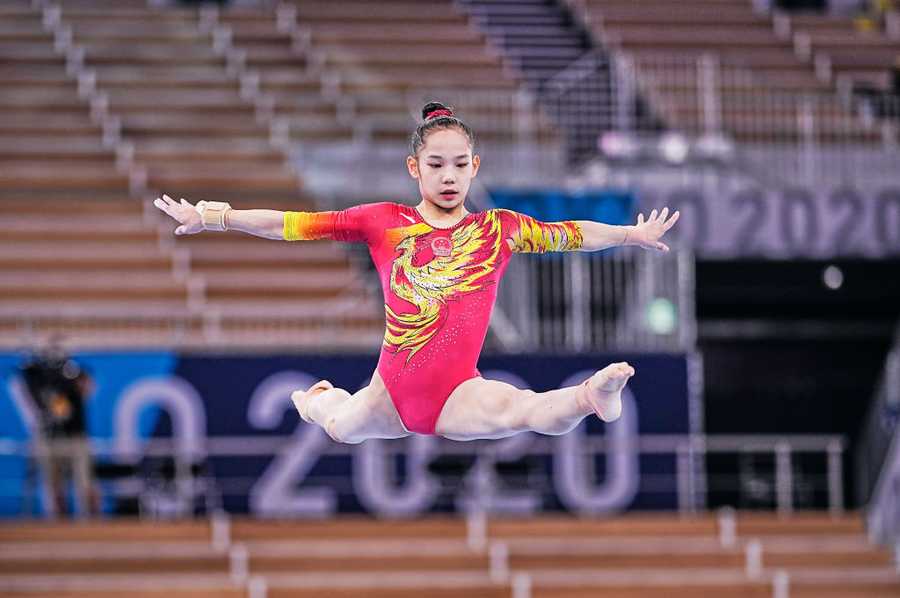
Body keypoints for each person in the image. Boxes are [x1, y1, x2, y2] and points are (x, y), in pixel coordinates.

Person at [154, 101, 679, 444]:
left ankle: (593, 396)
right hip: (391, 390)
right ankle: (314, 400)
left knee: (522, 411)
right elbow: (289, 225)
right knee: (340, 425)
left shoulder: (500, 228)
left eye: (459, 164)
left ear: (475, 165)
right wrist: (215, 216)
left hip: (455, 391)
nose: (448, 176)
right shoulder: (382, 222)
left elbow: (571, 233)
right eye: (435, 165)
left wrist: (629, 235)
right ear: (415, 168)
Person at [20, 336, 98, 516]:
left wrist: (69, 379)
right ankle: (58, 523)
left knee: (84, 483)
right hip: (50, 437)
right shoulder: (38, 375)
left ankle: (92, 523)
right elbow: (26, 378)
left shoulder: (75, 372)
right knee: (53, 485)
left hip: (75, 436)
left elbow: (86, 387)